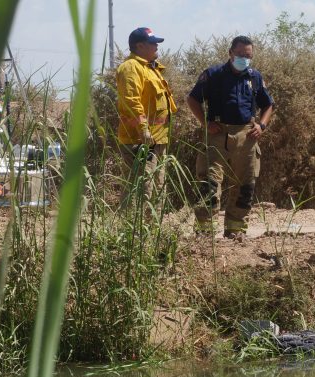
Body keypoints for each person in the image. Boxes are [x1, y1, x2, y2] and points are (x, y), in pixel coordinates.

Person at [186, 36, 275, 239]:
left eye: (248, 55)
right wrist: (205, 123)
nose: (244, 58)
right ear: (230, 53)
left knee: (245, 185)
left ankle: (235, 231)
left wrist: (262, 125)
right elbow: (192, 99)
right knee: (209, 183)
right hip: (217, 134)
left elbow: (268, 104)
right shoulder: (213, 74)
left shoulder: (255, 77)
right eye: (240, 54)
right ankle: (204, 233)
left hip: (246, 134)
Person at [115, 27, 177, 210]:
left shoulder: (150, 68)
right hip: (139, 141)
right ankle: (134, 235)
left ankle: (152, 232)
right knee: (141, 190)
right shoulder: (131, 68)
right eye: (153, 43)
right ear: (140, 46)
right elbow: (131, 101)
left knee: (156, 189)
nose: (157, 46)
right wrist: (143, 130)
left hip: (156, 140)